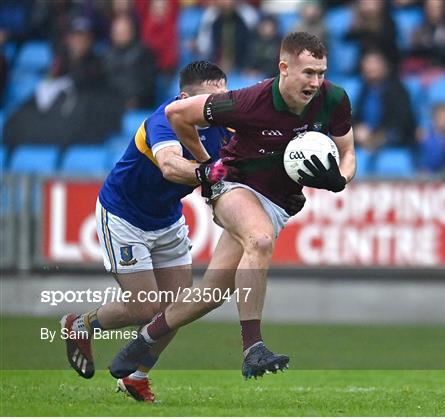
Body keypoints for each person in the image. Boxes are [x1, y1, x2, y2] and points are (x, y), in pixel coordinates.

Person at [109, 31, 356, 381]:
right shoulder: (249, 101)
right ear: (284, 68)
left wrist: (340, 179)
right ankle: (253, 347)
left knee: (211, 294)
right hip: (234, 185)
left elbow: (348, 154)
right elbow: (178, 113)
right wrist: (207, 164)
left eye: (321, 73)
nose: (316, 82)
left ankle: (143, 341)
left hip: (277, 202)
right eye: (308, 73)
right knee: (260, 239)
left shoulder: (334, 100)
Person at [60, 61, 233, 403]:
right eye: (211, 100)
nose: (218, 107)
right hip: (124, 216)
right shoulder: (163, 119)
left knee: (177, 308)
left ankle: (136, 378)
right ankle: (80, 325)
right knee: (144, 308)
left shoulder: (224, 125)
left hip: (167, 220)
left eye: (223, 99)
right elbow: (170, 166)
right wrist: (209, 172)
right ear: (184, 98)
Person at [353, 49, 416, 159]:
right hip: (365, 140)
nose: (370, 67)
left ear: (384, 66)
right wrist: (357, 129)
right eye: (367, 63)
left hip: (392, 140)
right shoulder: (364, 90)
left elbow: (402, 123)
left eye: (374, 63)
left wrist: (376, 138)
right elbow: (355, 116)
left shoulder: (398, 90)